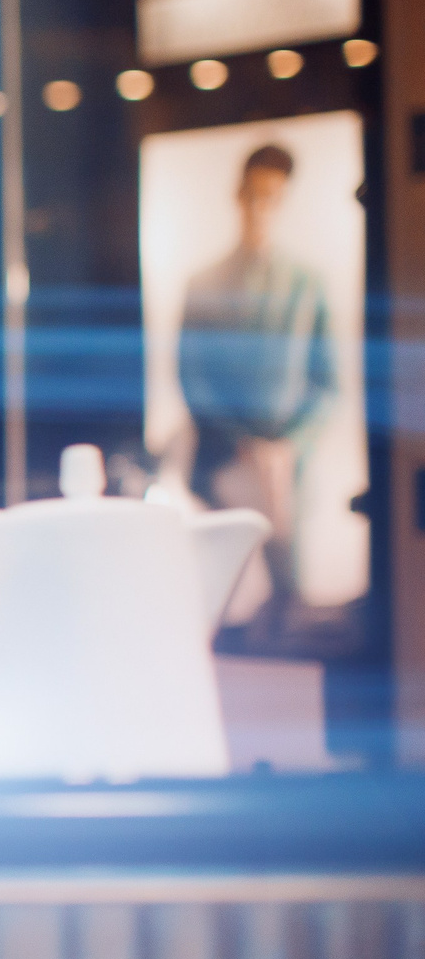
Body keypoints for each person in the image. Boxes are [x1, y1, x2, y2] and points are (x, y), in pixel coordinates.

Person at [177, 142, 335, 632]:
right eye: (254, 194)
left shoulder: (308, 285)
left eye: (273, 196)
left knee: (290, 595)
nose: (262, 206)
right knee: (228, 597)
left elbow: (327, 384)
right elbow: (193, 378)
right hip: (227, 462)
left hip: (287, 468)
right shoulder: (203, 285)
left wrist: (288, 445)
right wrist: (244, 442)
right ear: (238, 195)